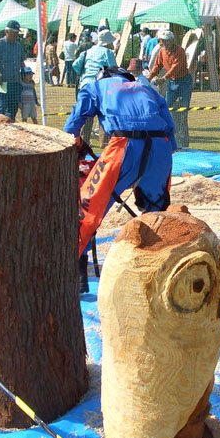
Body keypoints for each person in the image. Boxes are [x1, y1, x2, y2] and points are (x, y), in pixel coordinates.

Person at [64, 66, 176, 292]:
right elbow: (171, 134)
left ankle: (75, 273)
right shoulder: (147, 88)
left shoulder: (95, 87)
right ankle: (156, 270)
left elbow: (74, 123)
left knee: (87, 206)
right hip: (160, 146)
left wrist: (73, 144)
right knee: (156, 210)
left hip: (123, 144)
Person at [149, 29, 192, 148]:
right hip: (172, 82)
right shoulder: (161, 51)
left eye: (166, 41)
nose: (164, 43)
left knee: (183, 111)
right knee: (166, 108)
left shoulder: (180, 51)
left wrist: (164, 78)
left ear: (172, 41)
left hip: (184, 82)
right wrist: (149, 77)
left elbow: (175, 67)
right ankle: (167, 137)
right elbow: (156, 66)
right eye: (162, 41)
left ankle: (183, 141)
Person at [74, 29, 118, 142]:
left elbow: (75, 65)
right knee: (105, 114)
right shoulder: (107, 52)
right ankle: (104, 143)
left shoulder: (87, 52)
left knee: (86, 115)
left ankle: (84, 142)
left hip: (86, 86)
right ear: (108, 42)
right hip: (101, 86)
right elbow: (114, 69)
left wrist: (83, 75)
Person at [0, 20, 27, 121]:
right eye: (14, 32)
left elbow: (22, 62)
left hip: (15, 81)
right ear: (7, 31)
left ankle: (10, 124)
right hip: (3, 81)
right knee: (2, 106)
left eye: (17, 32)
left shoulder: (19, 46)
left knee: (13, 106)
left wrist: (26, 75)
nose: (16, 35)